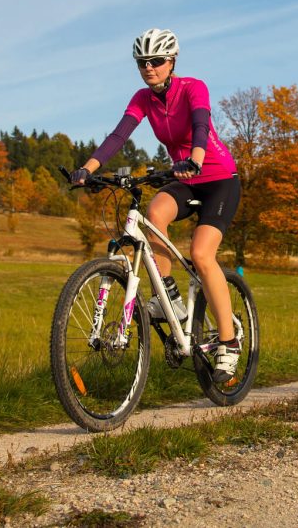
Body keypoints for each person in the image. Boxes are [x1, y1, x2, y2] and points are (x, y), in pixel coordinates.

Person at [70, 28, 241, 381]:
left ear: (172, 61)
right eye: (142, 63)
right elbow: (119, 135)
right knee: (154, 213)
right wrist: (87, 169)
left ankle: (229, 342)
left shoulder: (193, 87)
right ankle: (171, 298)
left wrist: (195, 158)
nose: (149, 67)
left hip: (219, 180)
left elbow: (200, 124)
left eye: (157, 61)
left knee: (202, 254)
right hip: (185, 177)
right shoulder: (143, 99)